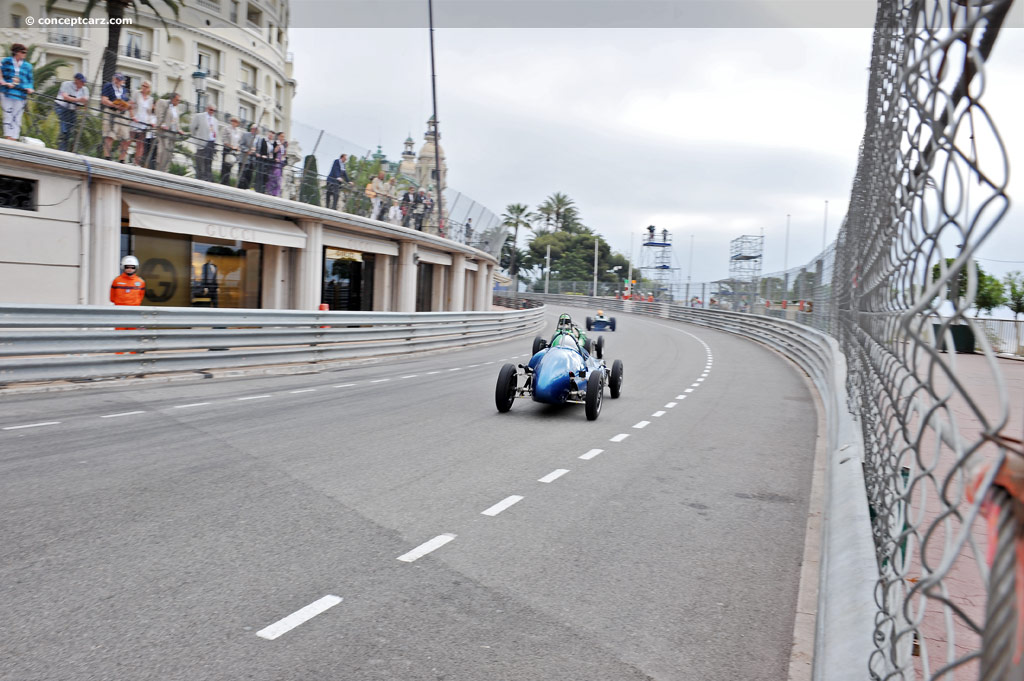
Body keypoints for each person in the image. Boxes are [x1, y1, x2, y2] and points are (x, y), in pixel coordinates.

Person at [0, 44, 34, 141]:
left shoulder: (28, 66)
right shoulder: (6, 61)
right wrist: (5, 83)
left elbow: (30, 80)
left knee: (17, 116)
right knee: (8, 114)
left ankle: (14, 138)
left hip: (20, 94)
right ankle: (8, 137)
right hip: (7, 92)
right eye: (23, 52)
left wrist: (30, 88)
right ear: (16, 52)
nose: (25, 54)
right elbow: (1, 75)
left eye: (26, 53)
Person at [100, 73, 132, 161]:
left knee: (126, 137)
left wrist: (126, 106)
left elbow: (129, 103)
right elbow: (104, 99)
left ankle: (122, 159)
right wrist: (113, 105)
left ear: (123, 81)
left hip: (123, 114)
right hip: (111, 112)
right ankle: (107, 157)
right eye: (116, 79)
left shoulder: (125, 90)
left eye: (119, 79)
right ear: (114, 78)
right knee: (109, 135)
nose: (117, 81)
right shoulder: (108, 86)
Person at [54, 72, 89, 152]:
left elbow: (86, 100)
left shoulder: (84, 89)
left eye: (84, 82)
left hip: (72, 110)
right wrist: (78, 100)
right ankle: (60, 148)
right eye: (81, 81)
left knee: (69, 131)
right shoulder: (66, 84)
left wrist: (81, 103)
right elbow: (65, 97)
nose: (83, 83)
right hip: (61, 108)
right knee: (63, 129)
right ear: (76, 80)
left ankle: (64, 149)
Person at [153, 92, 182, 172]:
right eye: (177, 100)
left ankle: (165, 169)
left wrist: (179, 129)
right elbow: (159, 114)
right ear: (172, 99)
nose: (178, 102)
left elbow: (176, 121)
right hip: (164, 132)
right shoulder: (163, 102)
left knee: (169, 153)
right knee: (162, 151)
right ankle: (159, 169)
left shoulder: (176, 108)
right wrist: (161, 124)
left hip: (173, 133)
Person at [191, 103, 219, 181]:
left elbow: (215, 132)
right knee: (200, 162)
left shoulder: (215, 121)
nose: (212, 111)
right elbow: (192, 128)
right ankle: (200, 178)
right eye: (210, 110)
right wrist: (197, 138)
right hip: (202, 142)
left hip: (211, 143)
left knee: (208, 163)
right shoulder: (199, 116)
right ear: (207, 109)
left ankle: (207, 179)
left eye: (214, 110)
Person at [130, 80, 155, 166]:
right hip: (135, 121)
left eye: (146, 86)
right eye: (143, 86)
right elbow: (131, 105)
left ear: (149, 89)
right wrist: (132, 116)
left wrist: (150, 122)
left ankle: (136, 163)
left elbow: (149, 113)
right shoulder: (136, 93)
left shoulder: (150, 99)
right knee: (128, 140)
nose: (144, 88)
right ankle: (122, 159)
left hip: (144, 123)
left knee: (140, 144)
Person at [219, 117, 243, 185]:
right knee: (225, 166)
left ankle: (227, 181)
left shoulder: (239, 131)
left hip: (234, 151)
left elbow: (240, 141)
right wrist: (230, 146)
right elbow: (223, 139)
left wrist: (238, 147)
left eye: (235, 122)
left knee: (231, 166)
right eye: (233, 121)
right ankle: (223, 181)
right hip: (227, 149)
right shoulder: (226, 128)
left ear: (238, 123)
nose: (234, 123)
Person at [264, 131, 286, 196]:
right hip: (275, 163)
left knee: (278, 179)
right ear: (279, 136)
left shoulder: (283, 145)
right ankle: (271, 192)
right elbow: (274, 151)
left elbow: (283, 154)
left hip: (280, 163)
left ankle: (276, 193)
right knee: (274, 177)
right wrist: (279, 144)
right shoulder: (276, 142)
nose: (283, 138)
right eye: (282, 136)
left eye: (283, 137)